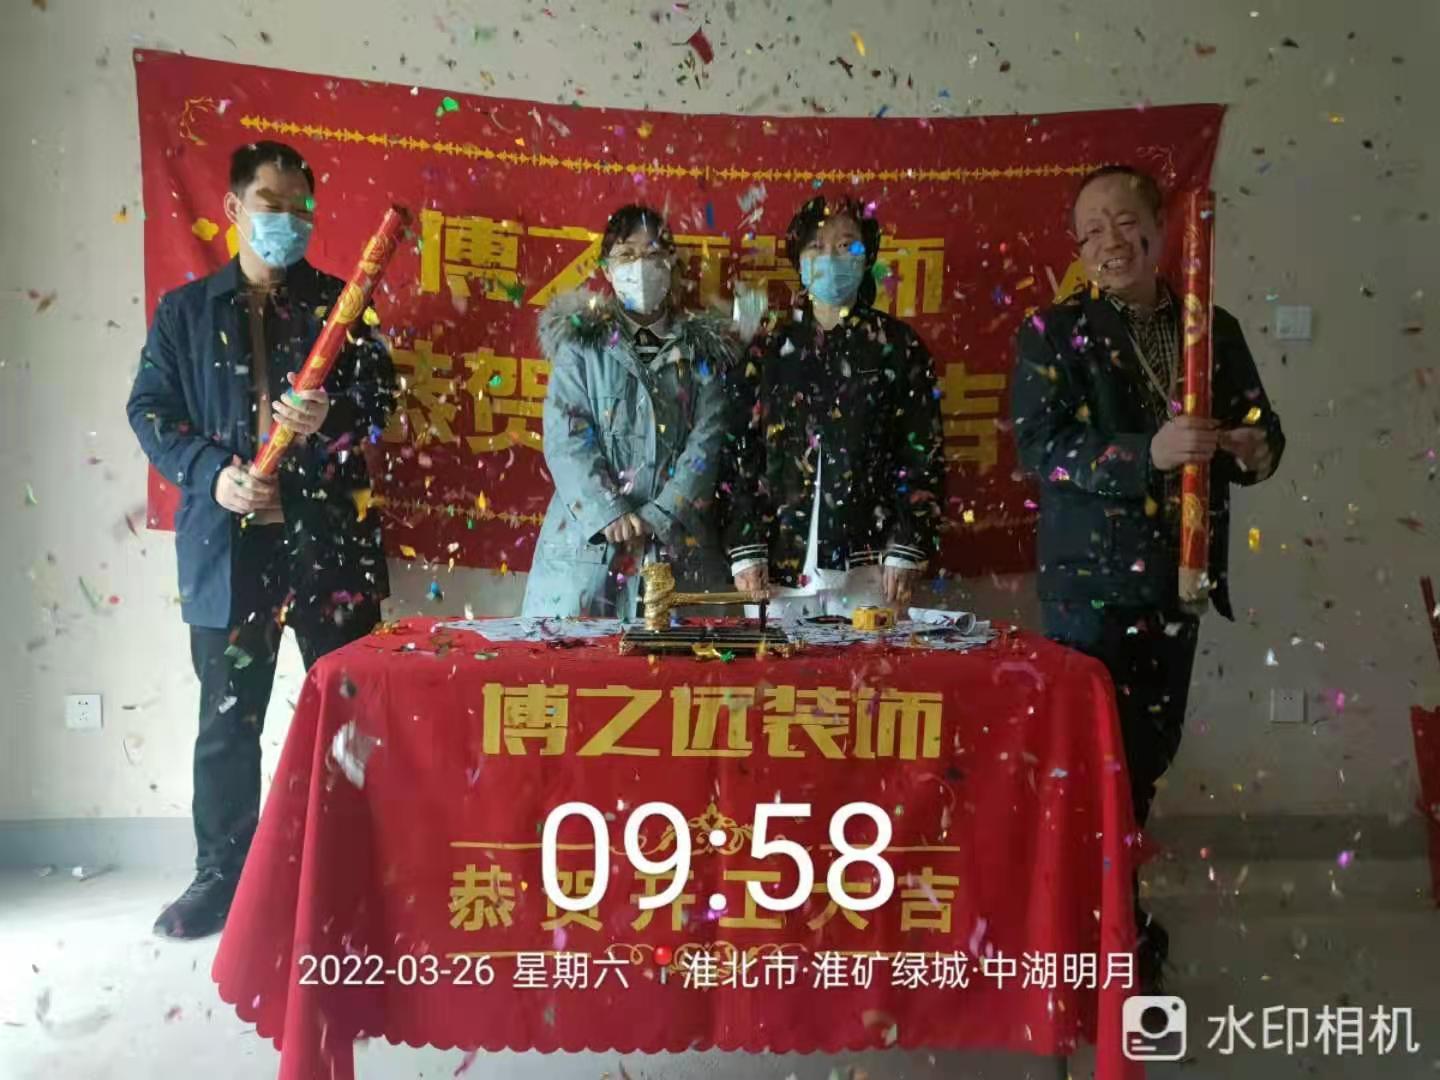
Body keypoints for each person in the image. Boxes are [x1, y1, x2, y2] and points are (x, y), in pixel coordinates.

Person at [1011, 164, 1285, 988]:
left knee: (1148, 760)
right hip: (1090, 587)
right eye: (1090, 230)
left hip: (1180, 579)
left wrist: (1254, 450)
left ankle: (1115, 916)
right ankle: (1097, 933)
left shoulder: (1212, 327)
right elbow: (1043, 450)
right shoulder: (1053, 332)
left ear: (1161, 231)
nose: (1109, 242)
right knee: (1096, 765)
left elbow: (1260, 427)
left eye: (1124, 221)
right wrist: (1147, 454)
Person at [127, 141, 396, 938]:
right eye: (270, 204)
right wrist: (211, 474)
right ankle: (222, 876)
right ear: (234, 208)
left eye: (299, 208)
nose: (287, 220)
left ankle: (362, 869)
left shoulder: (342, 303)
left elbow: (383, 397)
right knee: (228, 720)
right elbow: (150, 411)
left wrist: (335, 412)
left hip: (328, 545)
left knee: (352, 713)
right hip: (230, 550)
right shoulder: (186, 312)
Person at [720, 195, 943, 619]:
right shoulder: (768, 349)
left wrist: (907, 543)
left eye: (846, 245)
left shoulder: (898, 347)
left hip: (872, 564)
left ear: (867, 256)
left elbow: (921, 454)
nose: (831, 258)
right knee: (778, 664)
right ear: (798, 261)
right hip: (778, 564)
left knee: (870, 663)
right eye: (816, 246)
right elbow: (739, 455)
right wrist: (745, 546)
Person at [521, 204, 736, 618]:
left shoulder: (702, 349)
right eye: (626, 255)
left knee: (678, 656)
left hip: (678, 548)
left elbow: (708, 442)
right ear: (606, 267)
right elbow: (567, 435)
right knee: (580, 658)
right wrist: (608, 512)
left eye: (653, 254)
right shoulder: (580, 345)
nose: (640, 267)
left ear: (671, 264)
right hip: (588, 548)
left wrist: (659, 515)